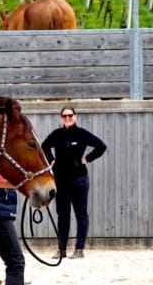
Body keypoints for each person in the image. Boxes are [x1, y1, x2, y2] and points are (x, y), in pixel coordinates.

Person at [41, 106, 106, 259]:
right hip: (61, 181)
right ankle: (61, 249)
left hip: (79, 180)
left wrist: (87, 159)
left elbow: (101, 146)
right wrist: (51, 160)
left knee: (80, 214)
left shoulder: (81, 134)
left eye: (70, 115)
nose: (67, 118)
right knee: (62, 215)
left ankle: (79, 249)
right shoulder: (57, 134)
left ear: (75, 116)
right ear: (61, 118)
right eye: (64, 116)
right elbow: (44, 146)